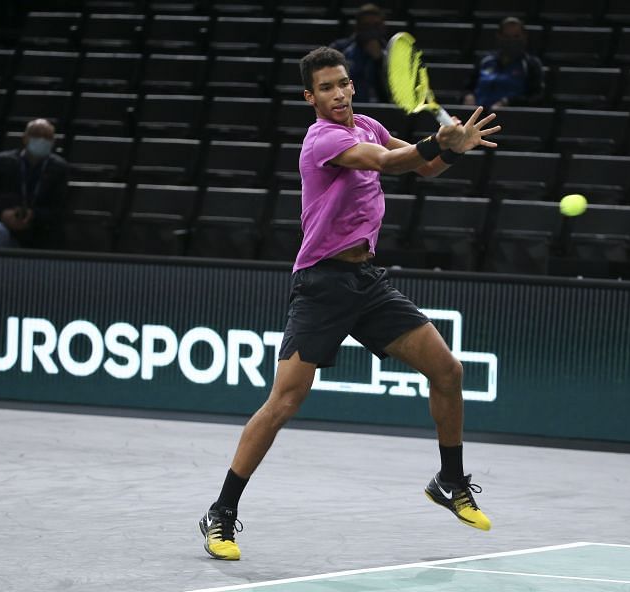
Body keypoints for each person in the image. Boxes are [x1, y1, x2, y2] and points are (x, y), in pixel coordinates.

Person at [199, 46, 501, 561]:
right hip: (320, 284)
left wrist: (453, 149)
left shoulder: (368, 124)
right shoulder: (322, 140)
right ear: (309, 96)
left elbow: (422, 168)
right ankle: (220, 513)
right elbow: (388, 162)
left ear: (351, 85)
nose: (337, 93)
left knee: (447, 371)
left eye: (342, 83)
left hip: (367, 282)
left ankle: (450, 482)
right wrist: (436, 140)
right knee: (285, 402)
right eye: (325, 88)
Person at [0, 118, 68, 249]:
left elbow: (58, 208)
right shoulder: (1, 161)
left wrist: (33, 215)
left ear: (53, 142)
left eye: (47, 137)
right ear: (25, 138)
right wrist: (2, 213)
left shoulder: (58, 168)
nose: (41, 140)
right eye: (36, 135)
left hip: (35, 223)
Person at [463, 16, 545, 110]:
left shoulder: (530, 64)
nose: (511, 41)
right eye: (506, 37)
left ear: (524, 37)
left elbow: (537, 97)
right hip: (476, 115)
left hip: (512, 118)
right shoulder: (485, 60)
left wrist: (508, 102)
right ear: (499, 36)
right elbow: (467, 87)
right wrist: (468, 96)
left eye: (516, 37)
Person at [329, 3, 389, 103]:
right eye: (366, 25)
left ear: (383, 27)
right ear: (357, 27)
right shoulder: (338, 49)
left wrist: (379, 60)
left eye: (376, 25)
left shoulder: (392, 52)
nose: (371, 30)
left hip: (385, 110)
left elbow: (393, 91)